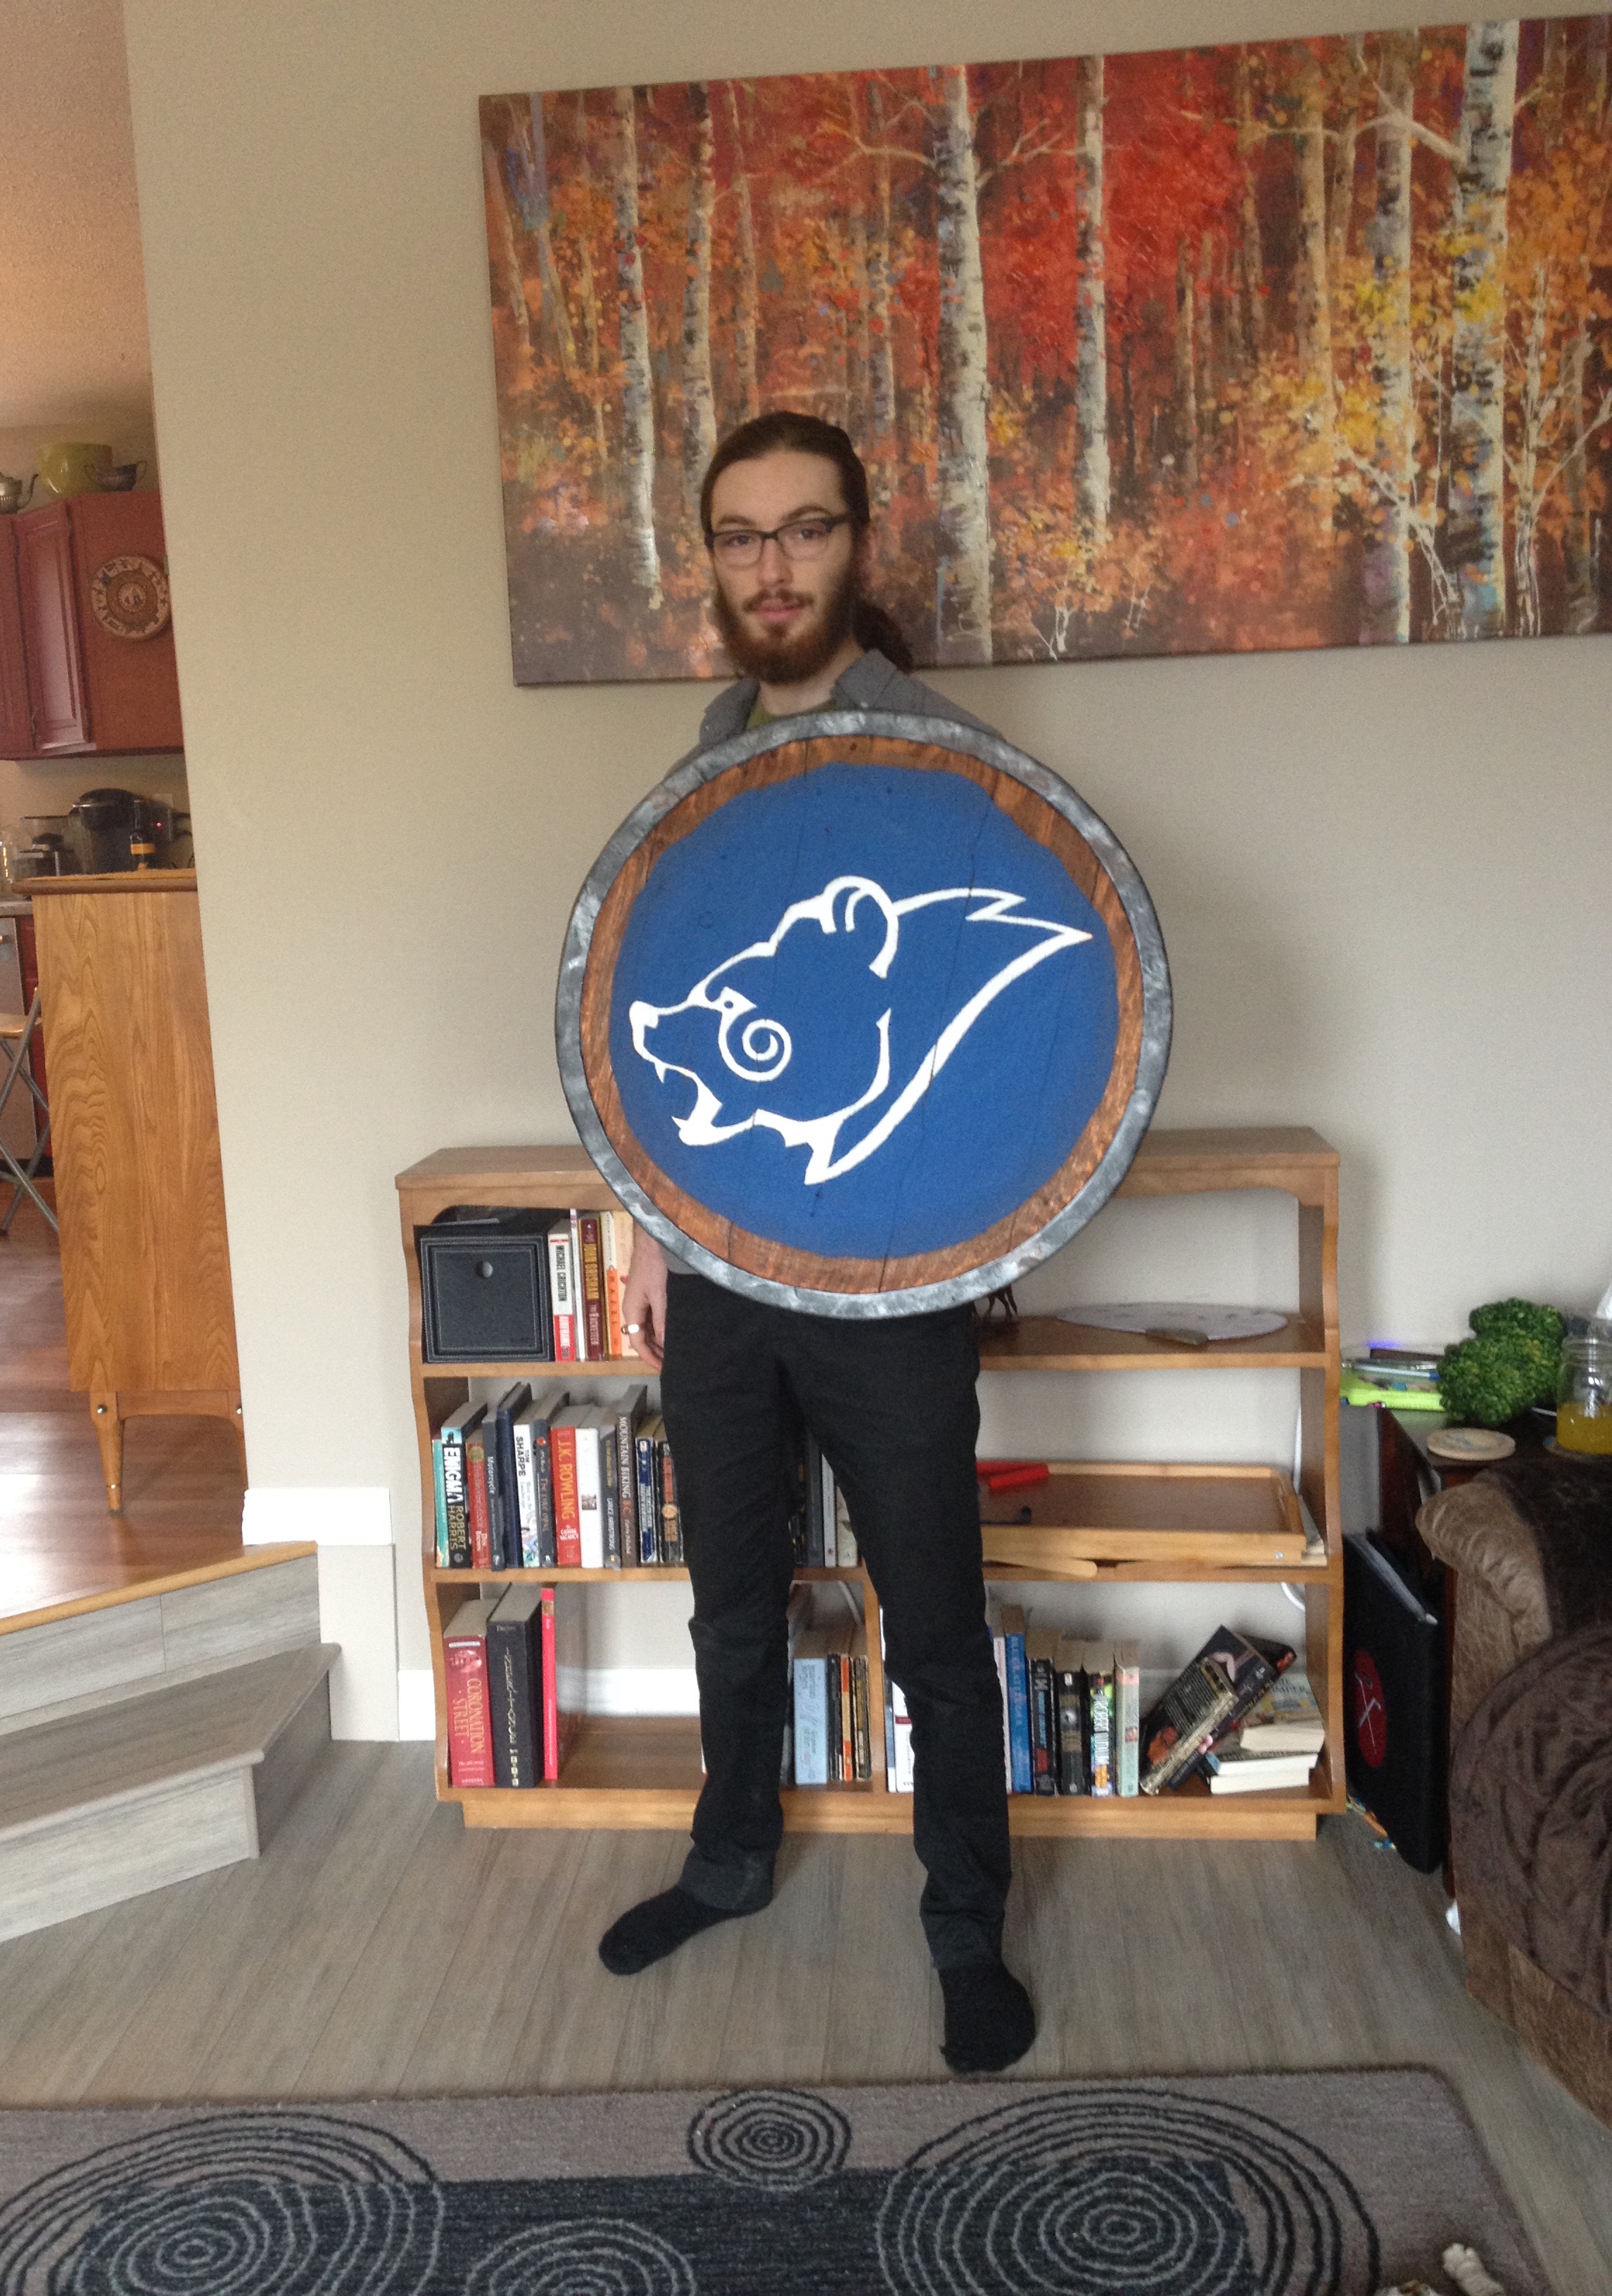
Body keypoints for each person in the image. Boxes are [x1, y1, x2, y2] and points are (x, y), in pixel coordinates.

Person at [598, 412, 1036, 2077]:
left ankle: (964, 1920)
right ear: (711, 560)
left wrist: (1002, 1220)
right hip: (719, 1265)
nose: (771, 565)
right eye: (740, 534)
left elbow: (1025, 1034)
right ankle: (728, 1859)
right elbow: (644, 1007)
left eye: (804, 528)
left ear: (859, 540)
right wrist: (648, 1225)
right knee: (730, 1596)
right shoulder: (709, 752)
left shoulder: (940, 754)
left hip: (889, 1280)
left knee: (933, 1614)